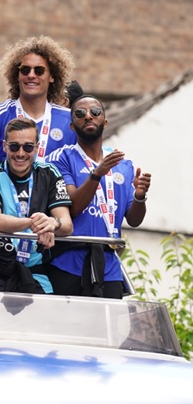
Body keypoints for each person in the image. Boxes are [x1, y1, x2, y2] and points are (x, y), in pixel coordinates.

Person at [46, 95, 151, 299]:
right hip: (68, 263)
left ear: (105, 122)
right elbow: (72, 207)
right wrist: (97, 174)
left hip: (109, 267)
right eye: (80, 113)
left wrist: (139, 196)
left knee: (106, 330)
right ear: (72, 127)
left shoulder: (124, 165)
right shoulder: (61, 158)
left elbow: (134, 220)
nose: (88, 116)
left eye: (95, 112)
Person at [0, 118, 73, 294]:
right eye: (14, 147)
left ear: (37, 147)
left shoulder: (49, 173)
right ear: (4, 146)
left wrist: (53, 224)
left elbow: (66, 224)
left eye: (28, 147)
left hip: (35, 275)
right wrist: (36, 223)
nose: (20, 153)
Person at [0, 36, 76, 164]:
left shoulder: (69, 120)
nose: (31, 75)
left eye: (39, 71)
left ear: (52, 76)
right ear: (17, 75)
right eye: (25, 70)